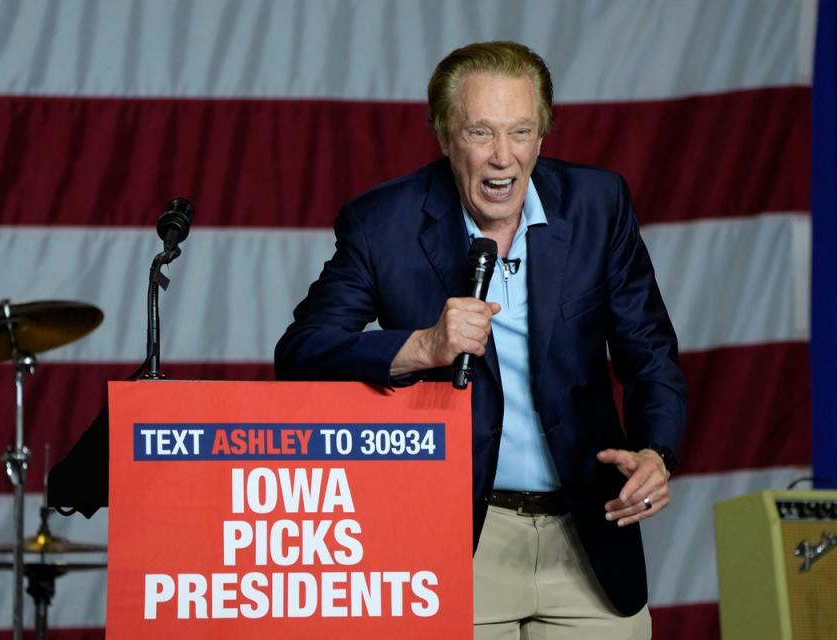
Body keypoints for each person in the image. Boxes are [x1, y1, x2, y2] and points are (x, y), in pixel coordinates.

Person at [275, 41, 686, 639]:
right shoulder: (383, 223)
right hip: (454, 539)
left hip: (588, 537)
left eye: (520, 132)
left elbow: (649, 352)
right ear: (444, 137)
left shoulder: (599, 205)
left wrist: (656, 452)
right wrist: (421, 347)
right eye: (479, 133)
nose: (503, 158)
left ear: (542, 136)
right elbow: (301, 352)